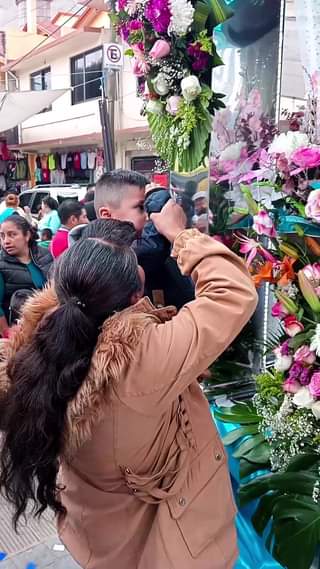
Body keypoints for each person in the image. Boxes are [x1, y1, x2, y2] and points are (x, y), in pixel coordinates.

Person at [0, 200, 257, 569]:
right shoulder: (142, 361)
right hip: (167, 550)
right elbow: (233, 293)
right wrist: (179, 233)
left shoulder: (35, 356)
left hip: (97, 536)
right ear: (137, 295)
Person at [0, 215, 53, 336]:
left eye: (12, 234)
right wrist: (7, 334)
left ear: (27, 235)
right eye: (2, 236)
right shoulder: (1, 265)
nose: (6, 241)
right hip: (19, 331)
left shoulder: (45, 256)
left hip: (48, 326)